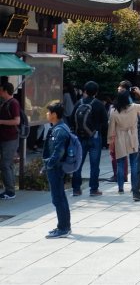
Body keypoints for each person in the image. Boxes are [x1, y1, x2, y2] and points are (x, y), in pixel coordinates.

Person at [108, 87, 140, 195]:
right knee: (134, 163)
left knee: (120, 163)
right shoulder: (134, 107)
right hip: (132, 136)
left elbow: (111, 128)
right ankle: (134, 187)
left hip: (120, 137)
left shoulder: (114, 111)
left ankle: (120, 188)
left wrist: (110, 141)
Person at [43, 102, 72, 238]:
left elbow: (58, 152)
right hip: (57, 167)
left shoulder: (59, 130)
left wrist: (48, 164)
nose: (47, 114)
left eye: (48, 112)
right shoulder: (59, 127)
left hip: (56, 168)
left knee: (58, 198)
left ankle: (63, 228)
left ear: (54, 115)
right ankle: (64, 226)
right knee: (60, 197)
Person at [0, 82, 21, 200]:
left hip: (10, 138)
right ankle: (10, 189)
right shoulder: (5, 103)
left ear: (5, 91)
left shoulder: (13, 103)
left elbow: (16, 121)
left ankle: (10, 191)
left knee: (6, 164)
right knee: (8, 165)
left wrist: (1, 121)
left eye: (1, 90)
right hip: (5, 138)